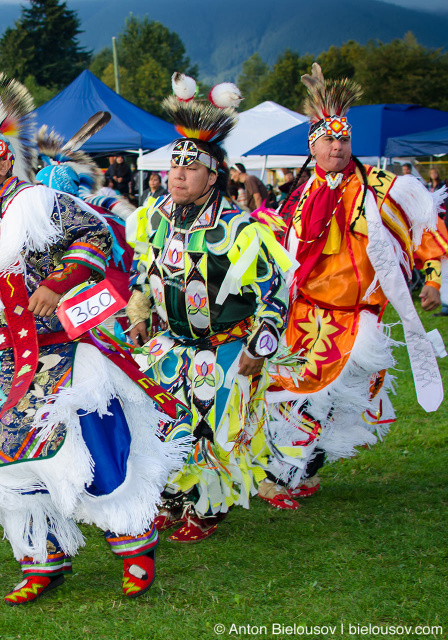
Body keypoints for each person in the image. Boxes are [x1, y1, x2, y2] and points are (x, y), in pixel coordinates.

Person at [0, 70, 185, 605]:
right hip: (2, 360)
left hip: (60, 351)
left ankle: (135, 545)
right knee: (11, 459)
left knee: (92, 450)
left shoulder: (38, 201)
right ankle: (42, 559)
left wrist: (59, 284)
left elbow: (97, 239)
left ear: (0, 157)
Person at [262, 64, 445, 502]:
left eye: (344, 139)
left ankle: (290, 474)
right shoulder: (299, 194)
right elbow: (274, 243)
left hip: (353, 322)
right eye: (329, 139)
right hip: (303, 316)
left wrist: (435, 279)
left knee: (329, 402)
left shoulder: (383, 189)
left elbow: (428, 231)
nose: (339, 147)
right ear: (314, 145)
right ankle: (291, 474)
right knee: (294, 398)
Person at [126, 73, 295, 540]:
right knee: (163, 424)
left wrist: (258, 349)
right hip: (171, 345)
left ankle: (208, 506)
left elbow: (276, 291)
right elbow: (147, 272)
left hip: (223, 348)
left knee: (210, 430)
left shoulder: (240, 228)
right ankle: (172, 497)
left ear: (212, 174)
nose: (178, 174)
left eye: (191, 167)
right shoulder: (157, 217)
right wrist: (139, 314)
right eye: (175, 165)